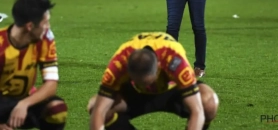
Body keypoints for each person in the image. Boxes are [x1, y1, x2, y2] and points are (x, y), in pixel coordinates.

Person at [88, 32, 219, 130]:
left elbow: (197, 111)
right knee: (95, 106)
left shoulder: (174, 59)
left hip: (171, 90)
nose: (145, 87)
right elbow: (99, 110)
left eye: (148, 83)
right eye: (138, 82)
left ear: (158, 68)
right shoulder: (119, 62)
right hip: (135, 95)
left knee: (208, 102)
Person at [0, 0, 68, 130]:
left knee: (57, 110)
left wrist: (24, 103)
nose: (48, 27)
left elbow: (51, 84)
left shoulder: (45, 39)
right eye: (45, 23)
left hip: (23, 100)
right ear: (30, 26)